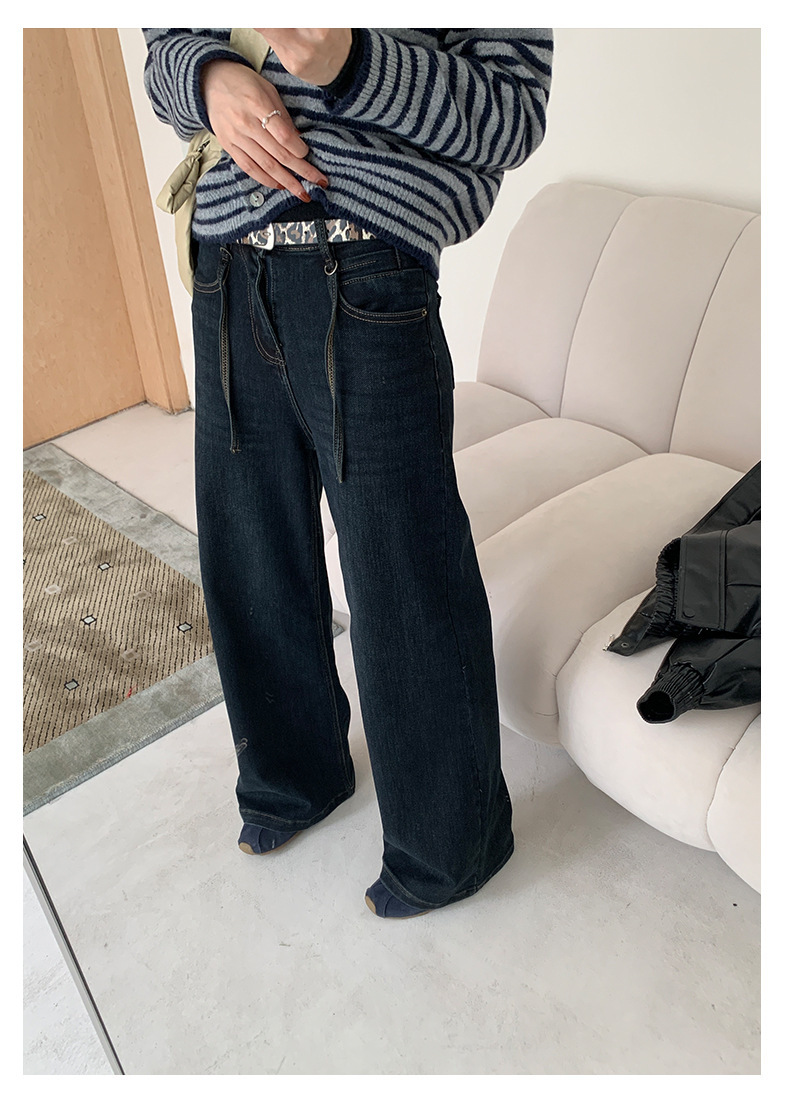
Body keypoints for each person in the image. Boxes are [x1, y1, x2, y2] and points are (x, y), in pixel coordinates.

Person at [142, 27, 553, 918]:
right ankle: (291, 780)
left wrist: (351, 63)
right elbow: (162, 44)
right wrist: (209, 76)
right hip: (224, 262)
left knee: (401, 566)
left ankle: (450, 846)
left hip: (368, 263)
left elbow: (512, 116)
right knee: (248, 548)